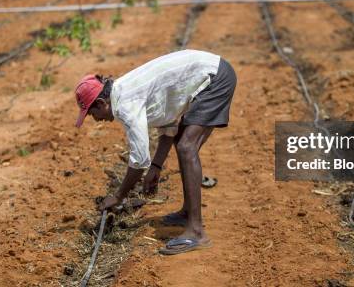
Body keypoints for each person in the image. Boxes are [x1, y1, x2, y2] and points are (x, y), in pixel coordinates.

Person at [74, 49, 237, 255]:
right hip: (212, 71)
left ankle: (196, 232)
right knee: (183, 141)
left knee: (187, 147)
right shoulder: (122, 92)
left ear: (101, 103)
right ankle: (188, 213)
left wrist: (118, 196)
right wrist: (157, 166)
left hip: (215, 78)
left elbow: (140, 160)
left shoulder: (126, 105)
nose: (95, 119)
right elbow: (169, 123)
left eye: (91, 113)